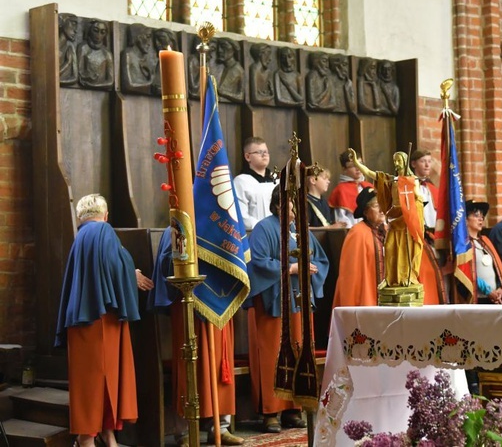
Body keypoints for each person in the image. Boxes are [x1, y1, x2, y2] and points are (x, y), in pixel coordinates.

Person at [54, 194, 153, 447]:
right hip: (101, 319)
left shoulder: (81, 238)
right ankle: (86, 438)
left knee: (90, 382)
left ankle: (106, 435)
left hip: (80, 320)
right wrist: (132, 273)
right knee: (104, 379)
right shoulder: (104, 231)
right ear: (106, 215)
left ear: (80, 216)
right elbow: (113, 265)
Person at [148, 229, 244, 446]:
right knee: (188, 364)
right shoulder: (175, 227)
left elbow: (235, 256)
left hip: (219, 304)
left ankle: (221, 426)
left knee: (220, 363)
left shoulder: (219, 222)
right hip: (187, 306)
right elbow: (167, 264)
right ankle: (183, 430)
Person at [246, 184, 329, 433]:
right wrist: (291, 269)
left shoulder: (300, 230)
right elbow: (258, 262)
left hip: (300, 301)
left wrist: (309, 267)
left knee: (298, 350)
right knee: (273, 354)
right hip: (274, 302)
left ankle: (294, 408)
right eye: (292, 205)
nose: (295, 211)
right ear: (279, 204)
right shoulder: (264, 228)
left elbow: (319, 259)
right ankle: (271, 412)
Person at [349, 148, 425, 288]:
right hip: (395, 218)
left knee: (407, 250)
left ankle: (407, 277)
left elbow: (418, 199)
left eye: (399, 160)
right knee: (390, 248)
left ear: (405, 162)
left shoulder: (412, 180)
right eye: (394, 160)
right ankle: (390, 278)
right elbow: (370, 173)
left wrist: (413, 211)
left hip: (407, 219)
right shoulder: (392, 180)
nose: (396, 163)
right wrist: (356, 162)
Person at [332, 187, 387, 308]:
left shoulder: (388, 231)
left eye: (384, 203)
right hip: (367, 298)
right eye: (377, 205)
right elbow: (351, 276)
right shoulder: (357, 233)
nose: (382, 209)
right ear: (365, 212)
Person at [461, 200, 502, 305]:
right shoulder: (463, 245)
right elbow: (465, 270)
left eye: (482, 216)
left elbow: (497, 268)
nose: (481, 219)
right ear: (465, 220)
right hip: (476, 299)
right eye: (476, 215)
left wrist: (499, 288)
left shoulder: (485, 241)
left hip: (493, 298)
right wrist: (487, 290)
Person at [233, 136, 277, 232]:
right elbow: (241, 216)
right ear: (247, 157)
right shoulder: (241, 181)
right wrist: (265, 228)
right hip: (255, 233)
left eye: (266, 152)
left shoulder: (277, 179)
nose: (264, 155)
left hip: (279, 232)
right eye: (259, 152)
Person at [328, 149, 374, 228]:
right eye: (353, 166)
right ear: (344, 169)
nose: (358, 168)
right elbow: (342, 220)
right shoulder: (340, 190)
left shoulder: (369, 186)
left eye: (360, 164)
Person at [78, 19, 114, 89]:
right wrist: (87, 76)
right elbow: (79, 72)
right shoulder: (83, 48)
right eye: (95, 31)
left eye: (102, 32)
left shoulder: (107, 53)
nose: (98, 35)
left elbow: (110, 81)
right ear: (89, 30)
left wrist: (93, 85)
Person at [120, 23, 154, 94]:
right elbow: (128, 85)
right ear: (138, 37)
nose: (149, 43)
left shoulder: (146, 60)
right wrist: (151, 82)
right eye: (147, 37)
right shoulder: (128, 54)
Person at [410, 149, 438, 231]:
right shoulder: (408, 186)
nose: (427, 165)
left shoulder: (432, 187)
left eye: (429, 161)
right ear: (413, 164)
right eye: (423, 161)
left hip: (433, 232)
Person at [216, 38, 245, 103]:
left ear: (233, 50)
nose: (219, 51)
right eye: (219, 47)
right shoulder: (219, 68)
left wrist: (223, 92)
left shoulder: (238, 70)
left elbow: (241, 96)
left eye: (223, 47)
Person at [58, 13, 78, 85]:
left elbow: (75, 78)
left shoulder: (70, 47)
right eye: (73, 24)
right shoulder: (50, 45)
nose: (75, 30)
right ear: (62, 22)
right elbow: (51, 77)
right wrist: (67, 63)